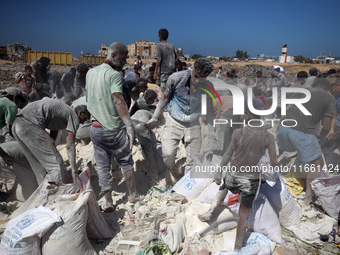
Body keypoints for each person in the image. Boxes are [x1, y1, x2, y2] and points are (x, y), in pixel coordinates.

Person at [198, 98, 277, 252]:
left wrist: (219, 171)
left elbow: (227, 155)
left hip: (233, 175)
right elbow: (273, 163)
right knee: (243, 215)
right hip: (250, 180)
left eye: (243, 113)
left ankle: (211, 211)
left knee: (224, 186)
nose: (240, 115)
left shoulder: (238, 132)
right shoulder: (268, 137)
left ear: (247, 115)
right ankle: (237, 247)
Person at [86, 42, 139, 211]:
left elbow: (89, 97)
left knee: (102, 166)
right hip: (114, 128)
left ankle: (108, 201)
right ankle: (133, 195)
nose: (124, 62)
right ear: (114, 56)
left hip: (95, 128)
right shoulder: (114, 75)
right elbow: (118, 99)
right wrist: (129, 126)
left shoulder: (90, 73)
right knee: (126, 161)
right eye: (123, 58)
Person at [148, 58, 214, 186]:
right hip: (174, 121)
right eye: (195, 76)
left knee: (193, 160)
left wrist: (210, 130)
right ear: (192, 69)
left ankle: (186, 185)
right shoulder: (176, 79)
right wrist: (155, 117)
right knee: (168, 154)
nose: (197, 80)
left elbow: (208, 109)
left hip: (193, 123)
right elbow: (164, 99)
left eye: (201, 78)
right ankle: (173, 169)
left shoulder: (208, 87)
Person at [277, 78, 336, 206]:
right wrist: (320, 140)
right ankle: (308, 199)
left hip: (283, 126)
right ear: (328, 89)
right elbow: (326, 126)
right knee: (317, 162)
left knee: (279, 151)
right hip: (301, 131)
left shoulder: (302, 91)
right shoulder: (330, 98)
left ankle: (267, 176)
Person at [12, 99, 90, 185]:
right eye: (85, 119)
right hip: (30, 124)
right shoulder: (74, 115)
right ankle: (55, 195)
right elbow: (70, 145)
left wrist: (52, 148)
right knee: (56, 163)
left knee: (39, 166)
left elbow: (54, 132)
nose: (83, 122)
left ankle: (44, 193)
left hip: (17, 125)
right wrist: (74, 173)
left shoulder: (63, 112)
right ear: (81, 112)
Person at [131, 109, 162, 185]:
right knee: (149, 153)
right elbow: (156, 125)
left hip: (131, 123)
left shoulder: (141, 111)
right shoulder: (153, 115)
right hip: (141, 125)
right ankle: (154, 178)